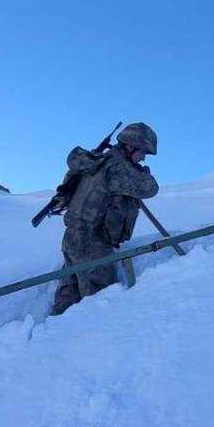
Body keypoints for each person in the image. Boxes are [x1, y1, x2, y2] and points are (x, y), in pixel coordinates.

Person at [50, 123, 159, 316]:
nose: (143, 158)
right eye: (143, 152)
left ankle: (50, 338)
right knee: (97, 307)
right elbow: (150, 188)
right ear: (130, 145)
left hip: (71, 239)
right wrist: (142, 171)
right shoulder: (117, 168)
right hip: (93, 245)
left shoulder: (96, 161)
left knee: (68, 298)